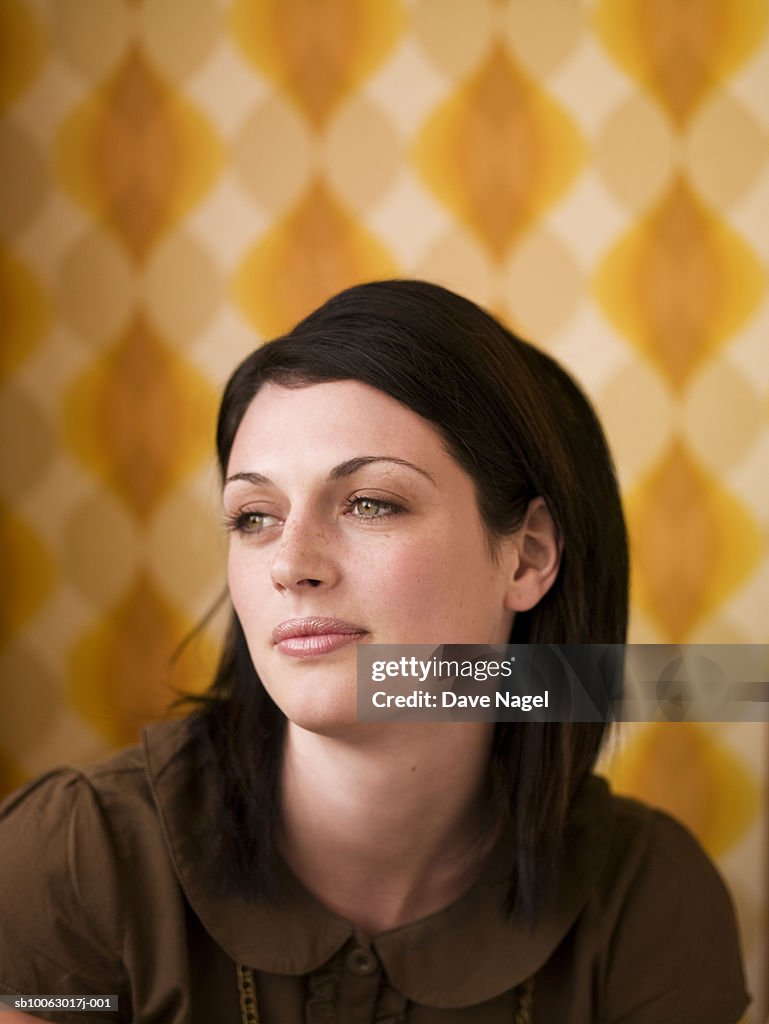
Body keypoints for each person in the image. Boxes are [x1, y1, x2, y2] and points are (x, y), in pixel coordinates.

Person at [0, 280, 750, 1023]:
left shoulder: (649, 903)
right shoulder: (73, 856)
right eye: (254, 516)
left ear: (526, 556)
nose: (290, 564)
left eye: (370, 504)